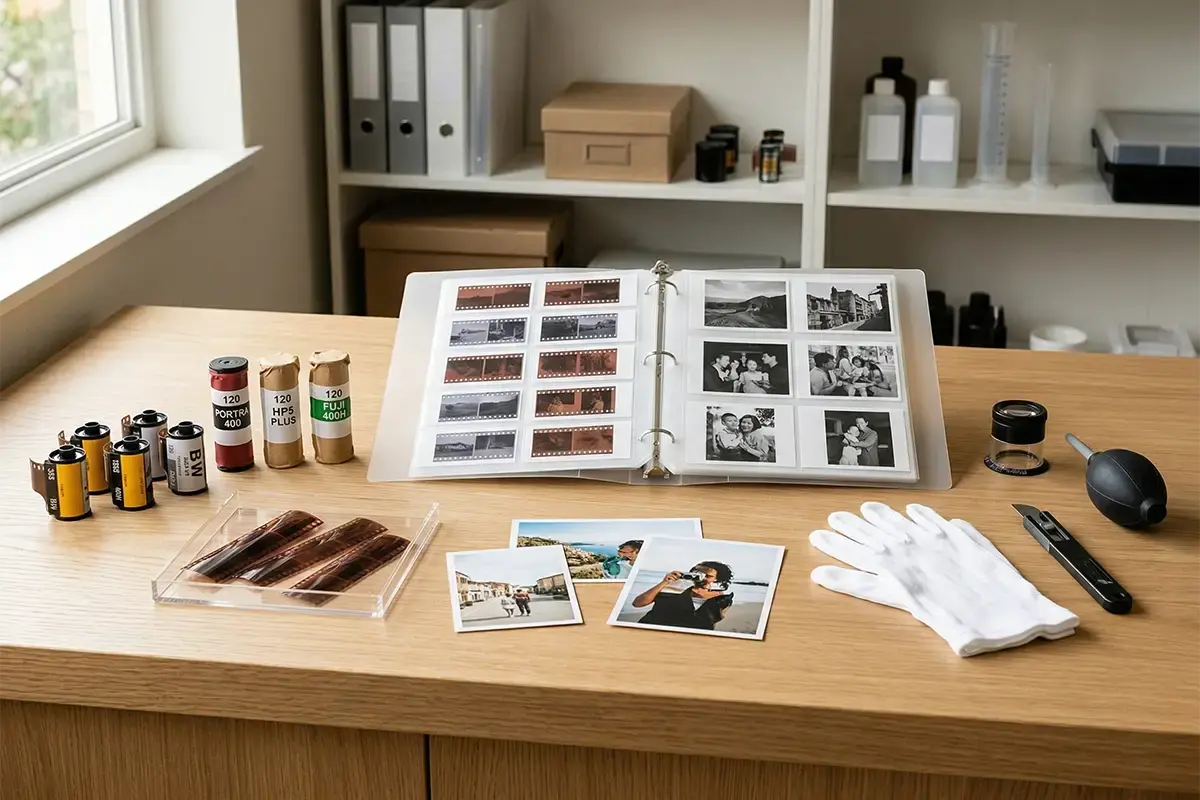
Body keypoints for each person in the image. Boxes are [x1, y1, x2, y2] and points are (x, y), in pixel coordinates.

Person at [631, 561, 735, 630]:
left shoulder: (720, 598)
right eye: (698, 573)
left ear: (717, 579)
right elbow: (638, 603)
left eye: (707, 576)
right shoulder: (674, 587)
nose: (701, 577)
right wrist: (664, 582)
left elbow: (712, 620)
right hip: (654, 626)